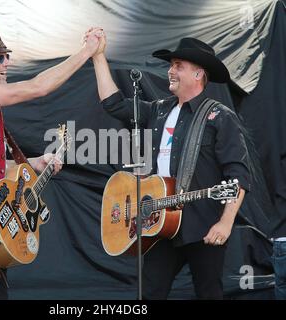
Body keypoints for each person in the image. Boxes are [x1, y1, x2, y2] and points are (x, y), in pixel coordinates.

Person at [0, 20, 102, 300]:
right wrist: (86, 52)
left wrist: (36, 162)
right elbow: (37, 87)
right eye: (0, 59)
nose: (6, 64)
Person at [91, 33, 251, 299]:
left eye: (179, 65)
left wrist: (224, 223)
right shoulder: (160, 109)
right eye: (171, 65)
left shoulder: (220, 117)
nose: (171, 71)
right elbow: (115, 104)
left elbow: (238, 175)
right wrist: (97, 57)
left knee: (209, 293)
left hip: (203, 226)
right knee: (150, 293)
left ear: (198, 74)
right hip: (160, 222)